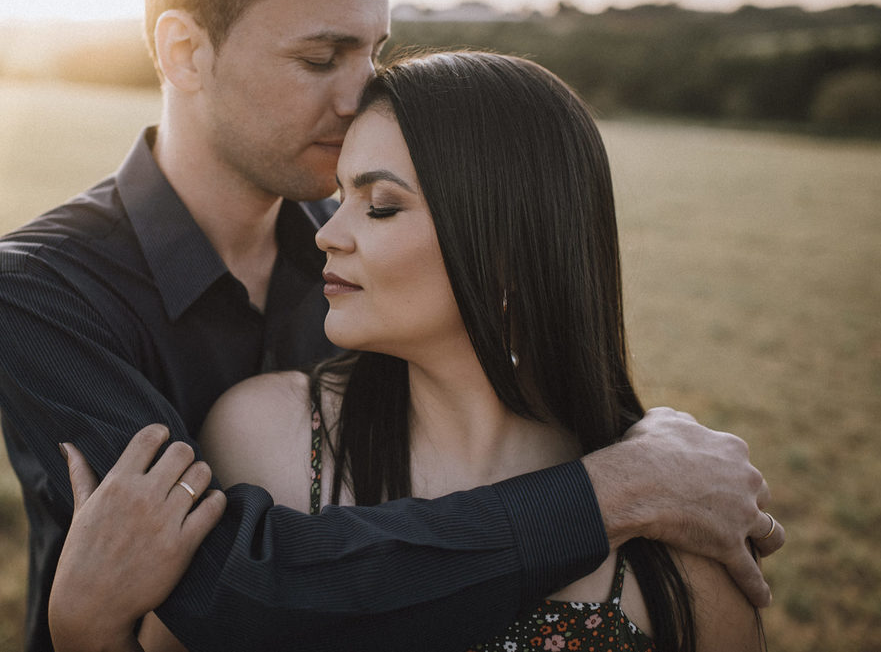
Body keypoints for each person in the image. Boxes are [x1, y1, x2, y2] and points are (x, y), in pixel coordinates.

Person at [0, 0, 782, 652]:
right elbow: (227, 591)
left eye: (373, 52)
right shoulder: (37, 290)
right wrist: (614, 492)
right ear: (183, 53)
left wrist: (634, 447)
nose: (362, 96)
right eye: (322, 58)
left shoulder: (371, 258)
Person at [55, 52, 768, 652]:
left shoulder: (681, 536)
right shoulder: (262, 439)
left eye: (381, 205)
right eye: (340, 195)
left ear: (508, 251)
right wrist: (87, 633)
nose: (327, 233)